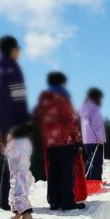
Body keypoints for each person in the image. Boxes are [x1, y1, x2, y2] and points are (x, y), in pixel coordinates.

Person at [0, 35, 31, 210]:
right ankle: (9, 201)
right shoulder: (12, 68)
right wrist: (25, 120)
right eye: (18, 49)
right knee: (14, 164)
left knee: (1, 161)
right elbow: (19, 96)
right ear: (13, 49)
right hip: (12, 123)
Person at [34, 71, 85, 211]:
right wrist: (78, 141)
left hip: (50, 143)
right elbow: (71, 121)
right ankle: (68, 202)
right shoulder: (62, 99)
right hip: (64, 141)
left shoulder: (42, 102)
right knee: (67, 173)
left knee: (54, 173)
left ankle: (54, 201)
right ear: (62, 83)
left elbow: (38, 120)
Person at [4, 124, 35, 219]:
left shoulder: (17, 145)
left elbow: (14, 155)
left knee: (19, 193)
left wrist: (3, 150)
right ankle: (18, 212)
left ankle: (26, 214)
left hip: (20, 174)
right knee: (13, 193)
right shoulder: (24, 144)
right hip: (19, 173)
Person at [79, 87, 106, 181]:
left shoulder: (84, 108)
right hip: (95, 139)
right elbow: (96, 125)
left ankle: (87, 180)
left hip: (86, 140)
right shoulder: (94, 109)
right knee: (97, 162)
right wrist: (101, 138)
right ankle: (96, 181)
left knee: (90, 161)